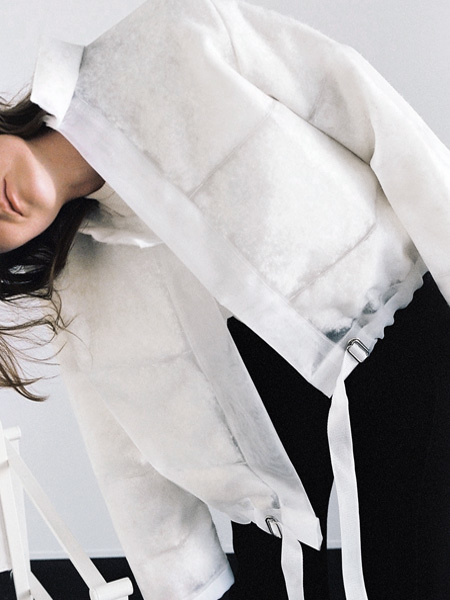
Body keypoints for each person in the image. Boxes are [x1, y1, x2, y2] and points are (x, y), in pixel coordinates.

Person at [1, 0, 449, 598]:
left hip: (402, 341)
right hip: (267, 467)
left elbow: (370, 111)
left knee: (418, 570)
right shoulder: (79, 288)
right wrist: (187, 585)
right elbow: (125, 461)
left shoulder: (173, 35)